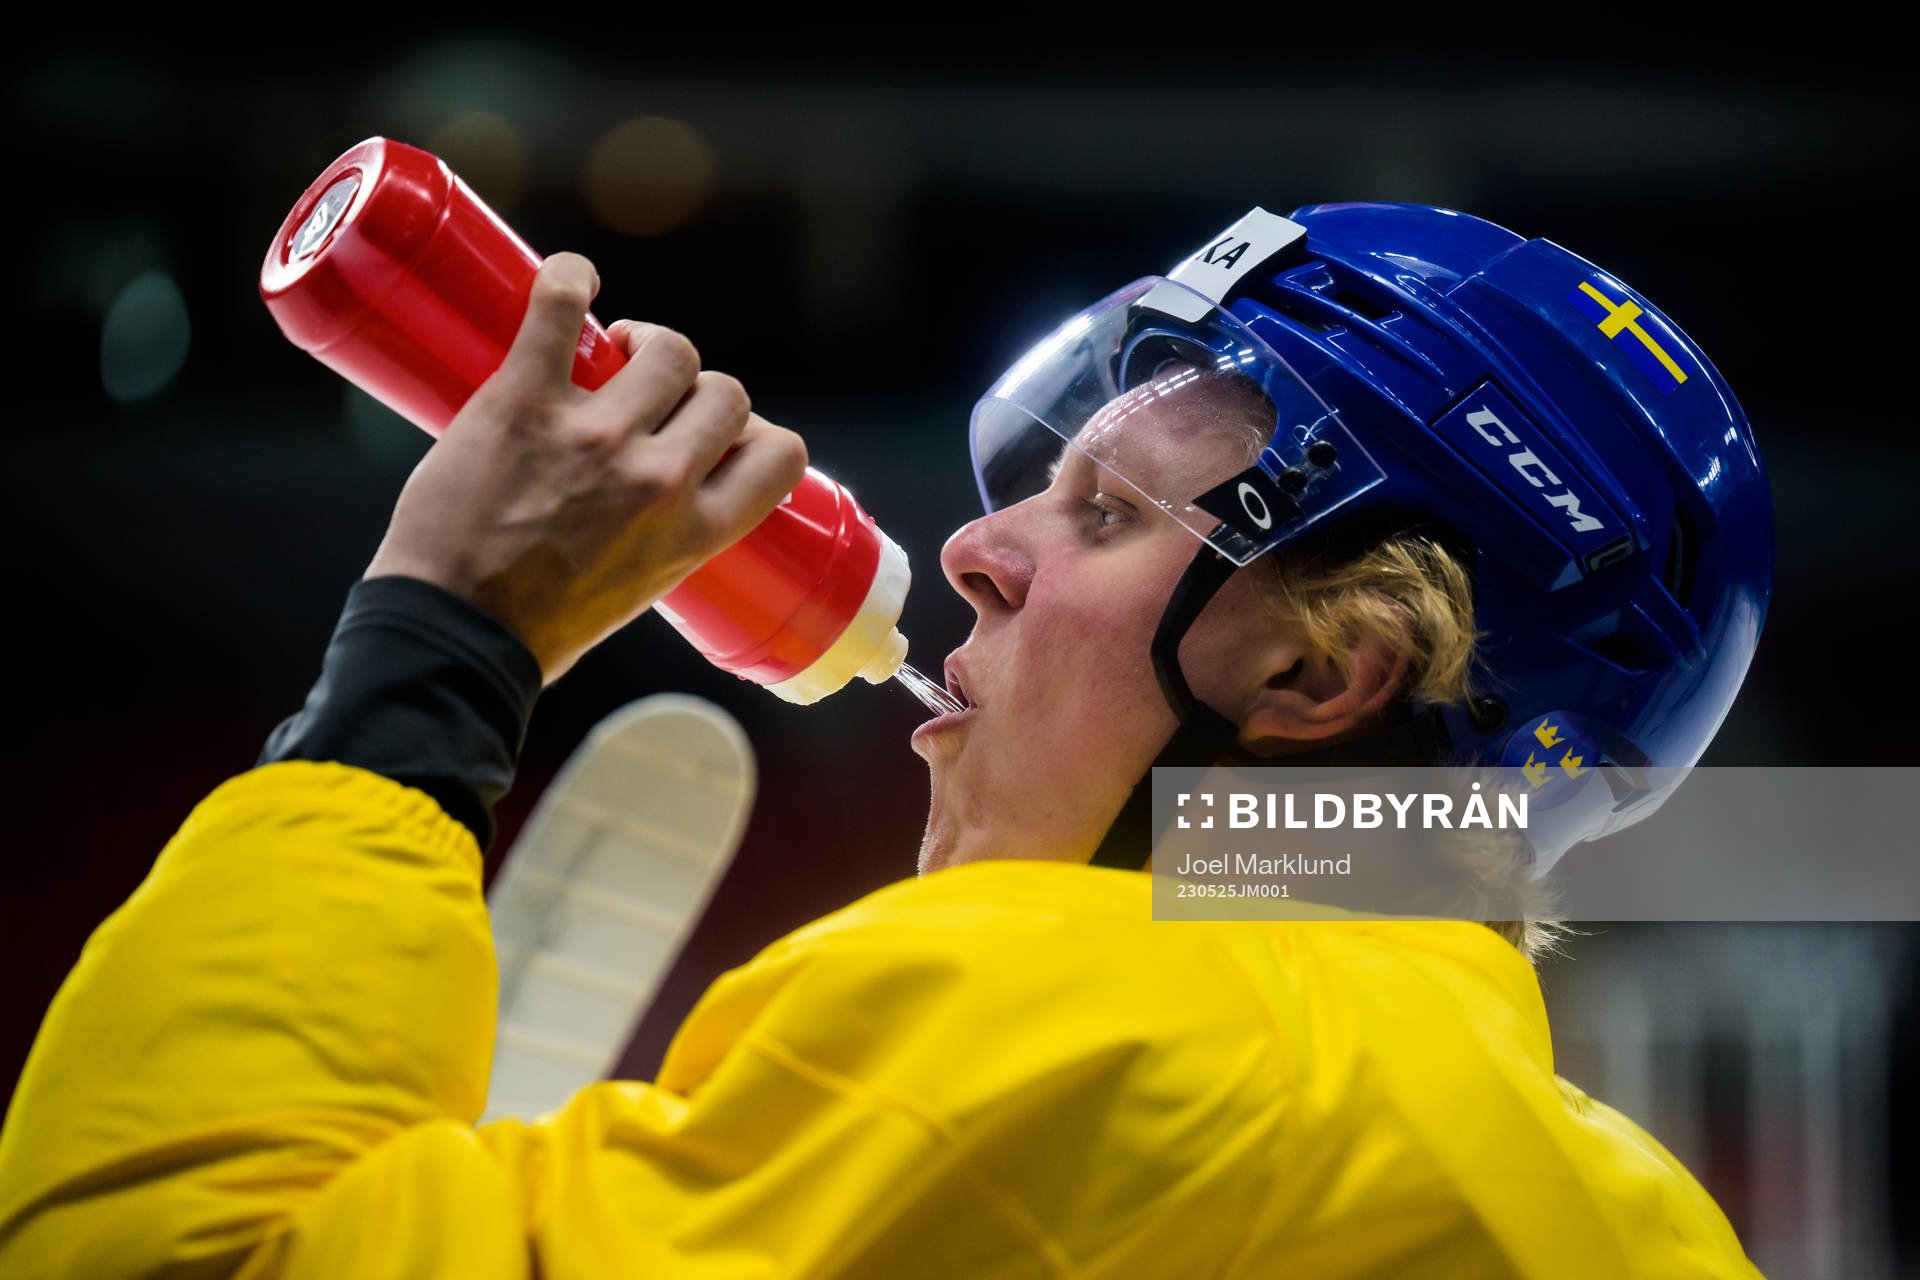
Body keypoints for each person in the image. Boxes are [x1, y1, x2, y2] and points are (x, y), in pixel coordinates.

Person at [0, 204, 1770, 1276]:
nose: (979, 551)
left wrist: (432, 645)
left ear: (1323, 679)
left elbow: (168, 1254)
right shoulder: (1640, 1223)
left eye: (1102, 516)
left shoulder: (1073, 1019)